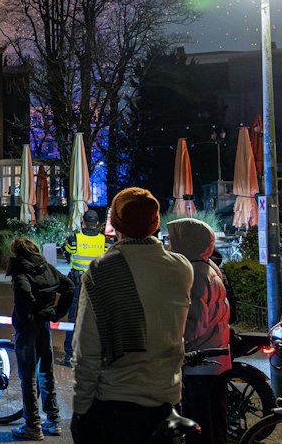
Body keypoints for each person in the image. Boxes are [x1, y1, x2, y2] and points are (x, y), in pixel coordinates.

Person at [71, 188, 193, 444]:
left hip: (117, 405)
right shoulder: (182, 268)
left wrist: (81, 409)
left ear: (115, 224)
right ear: (155, 223)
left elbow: (86, 351)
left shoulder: (102, 271)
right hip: (168, 402)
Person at [168, 217, 231, 444]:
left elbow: (194, 323)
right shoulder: (209, 267)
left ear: (187, 243)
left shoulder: (194, 274)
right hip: (216, 360)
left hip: (201, 364)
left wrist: (175, 343)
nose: (169, 246)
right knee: (215, 424)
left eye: (173, 241)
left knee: (201, 427)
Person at [6, 236, 74, 441]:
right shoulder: (47, 268)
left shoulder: (20, 271)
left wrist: (26, 316)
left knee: (28, 376)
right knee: (46, 372)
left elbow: (24, 296)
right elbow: (69, 287)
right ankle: (53, 420)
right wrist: (55, 313)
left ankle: (32, 424)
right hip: (44, 325)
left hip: (28, 327)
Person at [59, 209, 108, 366]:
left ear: (84, 223)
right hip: (96, 284)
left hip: (77, 282)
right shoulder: (104, 241)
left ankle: (69, 355)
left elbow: (67, 253)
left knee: (73, 319)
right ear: (97, 224)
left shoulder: (74, 239)